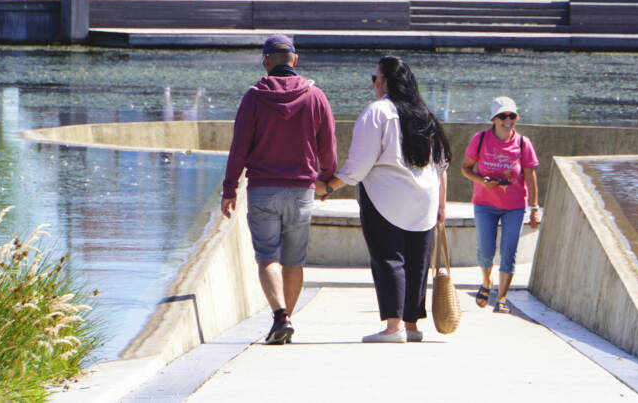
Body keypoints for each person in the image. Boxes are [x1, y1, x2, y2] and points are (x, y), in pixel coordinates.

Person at [316, 56, 450, 343]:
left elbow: (359, 164)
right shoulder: (425, 114)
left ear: (385, 81)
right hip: (424, 200)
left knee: (389, 259)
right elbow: (441, 164)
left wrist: (329, 186)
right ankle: (411, 325)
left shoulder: (377, 112)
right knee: (417, 262)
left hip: (385, 198)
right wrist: (441, 205)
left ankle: (393, 326)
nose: (373, 83)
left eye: (374, 78)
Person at [221, 34, 337, 345]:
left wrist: (229, 189)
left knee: (267, 258)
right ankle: (285, 322)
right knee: (294, 261)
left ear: (266, 61)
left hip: (263, 189)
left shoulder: (254, 97)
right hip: (301, 191)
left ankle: (280, 317)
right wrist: (327, 179)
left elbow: (239, 148)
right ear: (295, 60)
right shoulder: (316, 96)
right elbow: (328, 146)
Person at [460, 96, 539, 314]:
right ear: (494, 119)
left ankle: (502, 298)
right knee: (486, 251)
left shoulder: (523, 143)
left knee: (509, 252)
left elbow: (531, 177)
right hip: (485, 204)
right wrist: (481, 181)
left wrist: (534, 209)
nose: (508, 120)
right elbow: (465, 168)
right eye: (503, 116)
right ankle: (487, 282)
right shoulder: (480, 139)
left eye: (512, 116)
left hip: (514, 206)